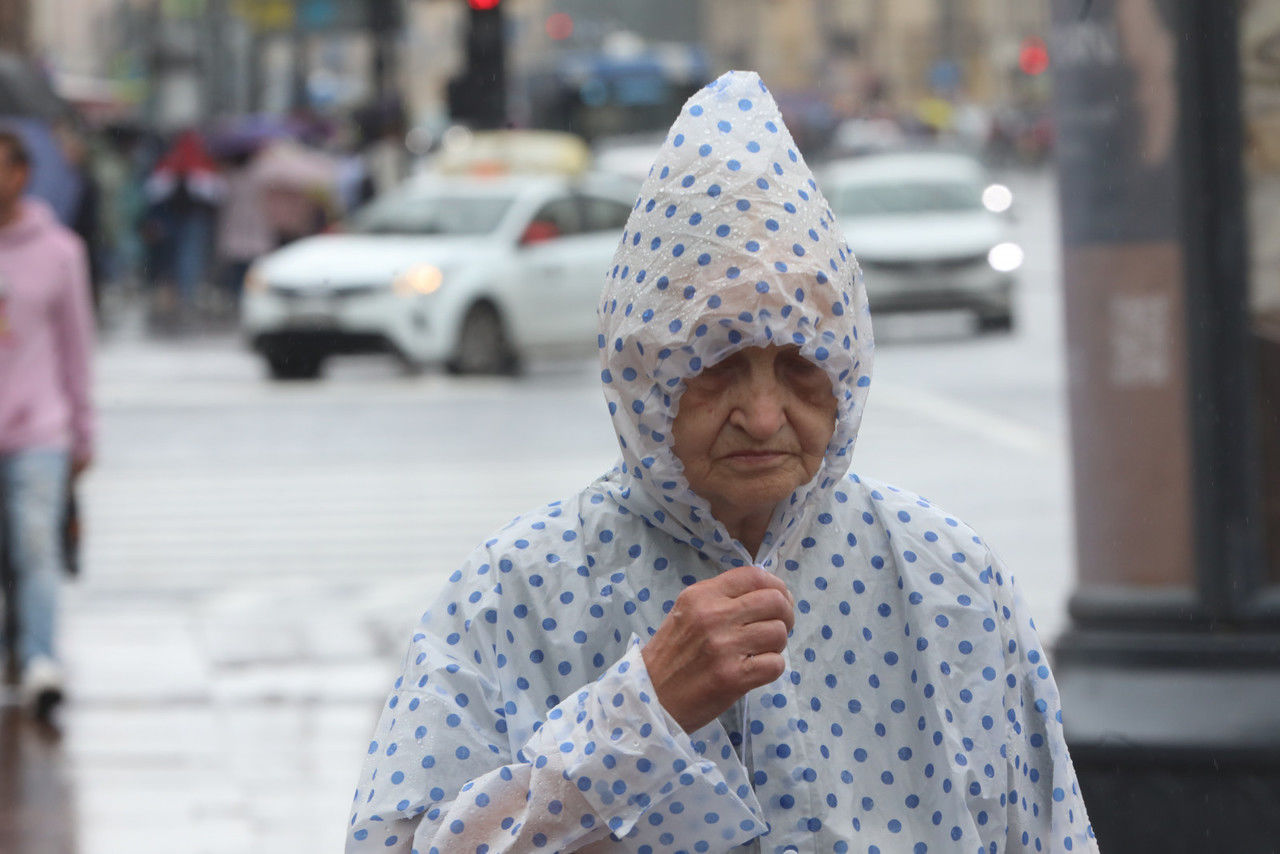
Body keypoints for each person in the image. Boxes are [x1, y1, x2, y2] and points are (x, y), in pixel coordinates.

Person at [346, 71, 1096, 853]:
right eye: (718, 368)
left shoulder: (952, 583)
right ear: (644, 373)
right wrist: (637, 717)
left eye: (800, 368)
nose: (764, 416)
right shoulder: (516, 595)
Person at [0, 129, 95, 721]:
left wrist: (83, 431)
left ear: (21, 176)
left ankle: (39, 660)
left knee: (35, 549)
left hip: (39, 430)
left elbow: (76, 348)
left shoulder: (60, 252)